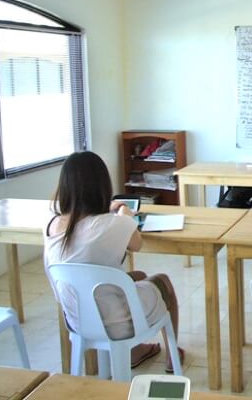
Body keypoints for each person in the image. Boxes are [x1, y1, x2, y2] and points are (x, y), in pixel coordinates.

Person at [43, 151, 184, 373]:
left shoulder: (51, 225)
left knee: (137, 277)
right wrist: (125, 213)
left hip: (77, 318)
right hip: (114, 322)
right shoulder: (111, 224)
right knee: (162, 282)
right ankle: (172, 354)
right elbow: (137, 244)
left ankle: (135, 352)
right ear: (102, 186)